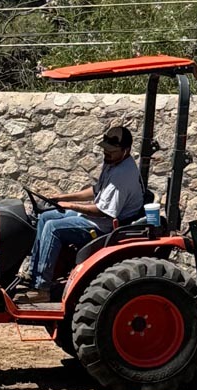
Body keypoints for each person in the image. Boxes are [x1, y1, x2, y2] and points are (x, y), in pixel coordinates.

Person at [21, 126, 145, 303]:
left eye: (111, 151)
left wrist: (71, 205)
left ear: (126, 150)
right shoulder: (113, 163)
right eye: (105, 149)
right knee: (46, 216)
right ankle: (33, 274)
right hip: (98, 219)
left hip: (106, 227)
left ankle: (42, 288)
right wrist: (61, 198)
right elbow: (97, 191)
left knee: (53, 227)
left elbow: (104, 212)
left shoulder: (123, 175)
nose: (106, 153)